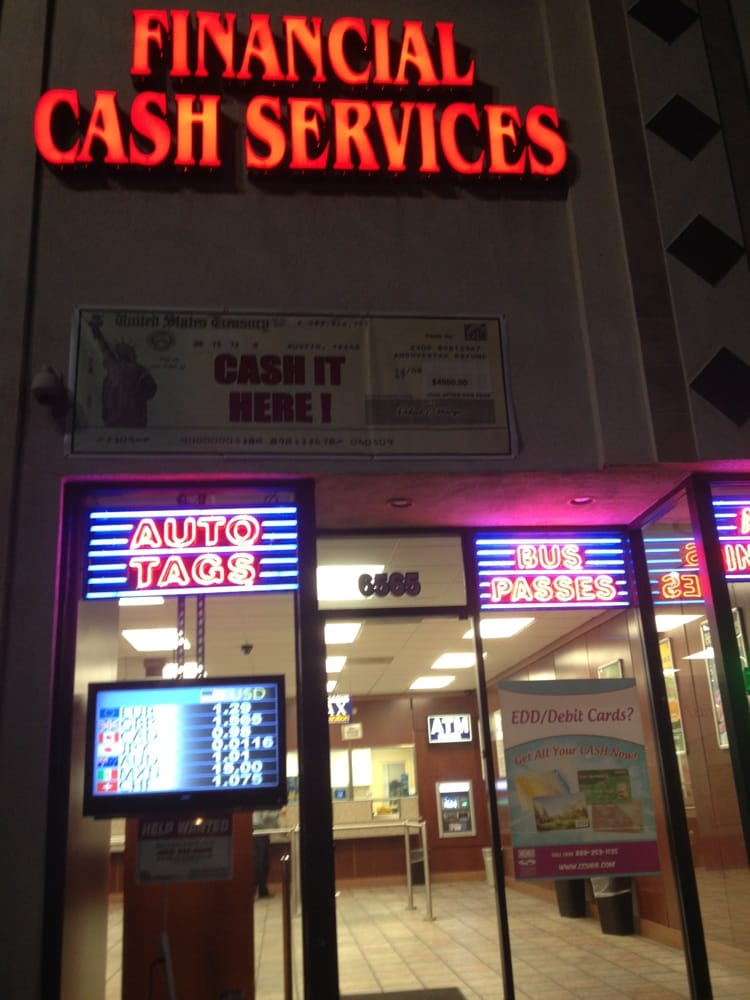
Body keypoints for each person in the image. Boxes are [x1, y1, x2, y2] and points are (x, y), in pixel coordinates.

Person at [252, 807, 284, 899]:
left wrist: (283, 832)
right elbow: (266, 817)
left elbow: (274, 822)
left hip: (263, 832)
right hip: (257, 831)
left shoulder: (274, 805)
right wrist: (279, 812)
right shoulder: (269, 802)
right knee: (259, 862)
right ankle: (253, 891)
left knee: (265, 863)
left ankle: (263, 890)